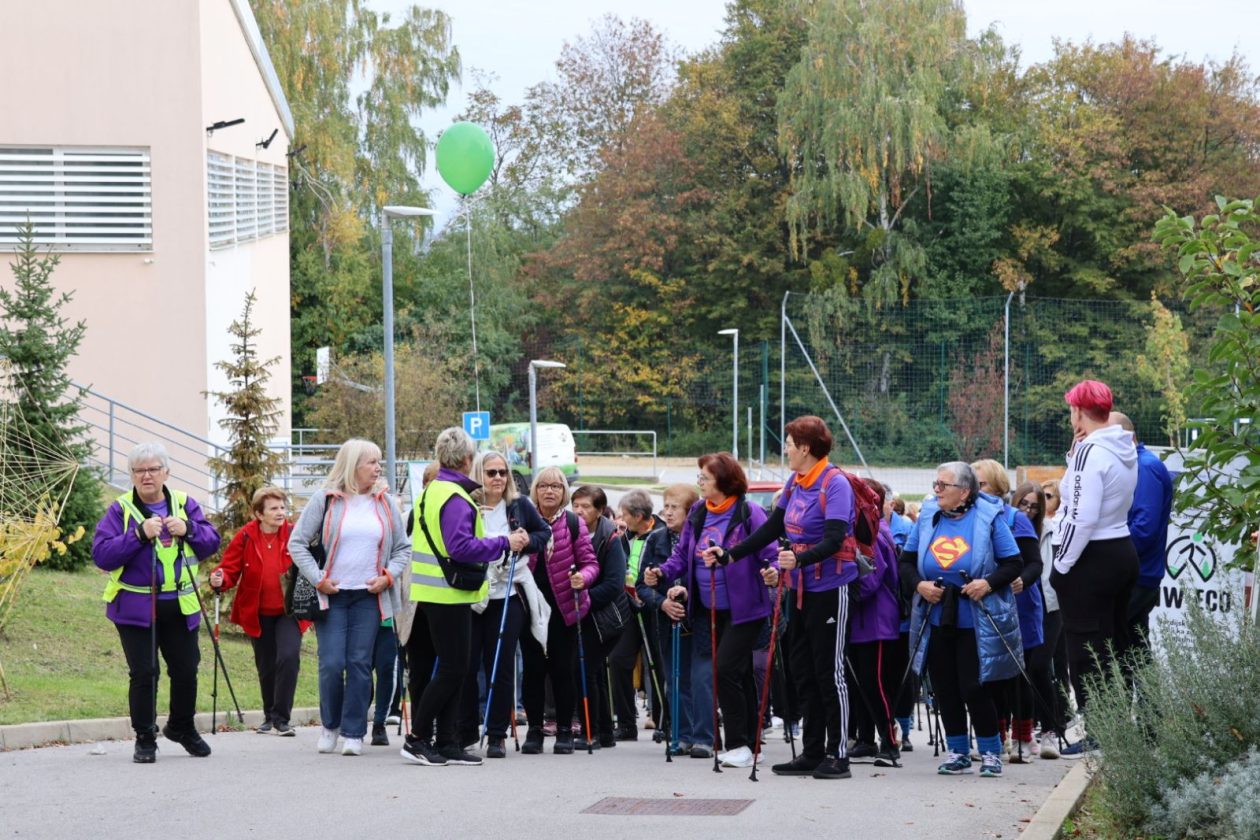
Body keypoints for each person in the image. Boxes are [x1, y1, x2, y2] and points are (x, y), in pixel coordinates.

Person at [713, 416, 858, 780]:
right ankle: (811, 752)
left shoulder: (835, 483)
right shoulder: (796, 481)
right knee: (803, 671)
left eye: (790, 443)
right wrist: (732, 553)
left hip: (831, 588)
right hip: (799, 590)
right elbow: (773, 528)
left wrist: (800, 558)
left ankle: (838, 754)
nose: (786, 450)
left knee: (830, 672)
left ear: (806, 448)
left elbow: (836, 538)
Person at [403, 428, 530, 767]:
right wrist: (504, 543)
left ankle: (447, 742)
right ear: (466, 460)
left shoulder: (431, 492)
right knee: (453, 669)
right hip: (449, 593)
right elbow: (460, 546)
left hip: (431, 592)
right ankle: (417, 737)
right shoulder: (456, 498)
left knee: (452, 669)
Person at [92, 442, 221, 763]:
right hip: (135, 608)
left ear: (166, 472)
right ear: (132, 476)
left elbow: (211, 542)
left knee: (186, 669)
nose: (146, 476)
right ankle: (145, 737)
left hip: (180, 605)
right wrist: (138, 535)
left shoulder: (184, 503)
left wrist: (189, 529)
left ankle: (181, 726)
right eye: (139, 471)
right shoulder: (120, 510)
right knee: (145, 672)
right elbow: (102, 555)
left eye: (152, 469)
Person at [646, 453, 777, 768]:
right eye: (699, 477)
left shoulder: (749, 512)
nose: (700, 483)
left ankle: (737, 744)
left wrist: (771, 571)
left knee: (725, 669)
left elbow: (769, 552)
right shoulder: (699, 513)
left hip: (746, 609)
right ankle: (749, 743)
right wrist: (661, 572)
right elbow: (682, 556)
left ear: (723, 480)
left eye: (704, 477)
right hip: (708, 608)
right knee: (739, 672)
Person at [900, 461, 1024, 778]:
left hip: (975, 617)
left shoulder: (989, 518)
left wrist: (987, 583)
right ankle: (957, 751)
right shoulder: (928, 517)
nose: (936, 490)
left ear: (964, 491)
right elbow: (907, 562)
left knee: (974, 686)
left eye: (944, 485)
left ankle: (991, 752)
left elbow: (1013, 563)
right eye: (936, 484)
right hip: (937, 613)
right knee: (944, 687)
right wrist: (919, 584)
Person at [289, 438, 410, 758]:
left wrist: (388, 576)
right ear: (353, 465)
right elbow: (297, 543)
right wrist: (319, 579)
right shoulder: (325, 499)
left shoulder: (385, 503)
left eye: (379, 462)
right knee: (331, 663)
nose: (378, 468)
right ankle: (330, 726)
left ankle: (354, 732)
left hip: (369, 597)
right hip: (332, 596)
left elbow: (403, 549)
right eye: (372, 462)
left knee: (359, 664)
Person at [1050, 381, 1139, 756]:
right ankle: (1115, 724)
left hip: (1091, 556)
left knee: (1085, 648)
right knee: (1115, 644)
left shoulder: (1090, 451)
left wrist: (1061, 565)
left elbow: (1081, 517)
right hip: (1120, 548)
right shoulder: (1122, 447)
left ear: (1078, 411)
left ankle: (1099, 728)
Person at [456, 451, 551, 758]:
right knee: (467, 665)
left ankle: (497, 733)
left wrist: (526, 540)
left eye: (502, 472)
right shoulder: (467, 505)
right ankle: (466, 731)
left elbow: (543, 533)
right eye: (491, 472)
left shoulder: (519, 505)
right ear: (478, 474)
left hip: (509, 594)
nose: (498, 478)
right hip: (472, 595)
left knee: (500, 662)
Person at [209, 486, 308, 737]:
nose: (280, 512)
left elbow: (309, 562)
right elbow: (229, 568)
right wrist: (220, 578)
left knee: (288, 657)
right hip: (258, 611)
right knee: (266, 665)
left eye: (283, 507)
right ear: (259, 513)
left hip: (289, 611)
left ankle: (282, 718)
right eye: (274, 508)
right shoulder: (246, 536)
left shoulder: (294, 535)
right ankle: (268, 715)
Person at [519, 467, 600, 755]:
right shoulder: (523, 521)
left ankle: (565, 729)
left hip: (565, 607)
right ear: (535, 491)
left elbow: (591, 563)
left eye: (555, 486)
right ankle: (534, 731)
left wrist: (584, 578)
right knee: (532, 670)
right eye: (543, 486)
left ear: (564, 491)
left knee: (563, 670)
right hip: (529, 606)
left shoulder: (573, 523)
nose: (549, 491)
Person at [972, 459, 1044, 763]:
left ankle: (1023, 739)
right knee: (992, 675)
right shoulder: (970, 519)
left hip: (1020, 606)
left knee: (1020, 673)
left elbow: (1034, 563)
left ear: (999, 487)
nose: (975, 490)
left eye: (982, 484)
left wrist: (1021, 581)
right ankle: (996, 738)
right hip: (986, 607)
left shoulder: (1016, 519)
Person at [637, 483, 702, 754]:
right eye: (666, 506)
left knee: (698, 678)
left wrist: (688, 596)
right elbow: (642, 584)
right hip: (665, 620)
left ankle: (703, 736)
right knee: (673, 679)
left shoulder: (700, 537)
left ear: (691, 512)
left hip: (696, 615)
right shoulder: (656, 539)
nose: (668, 512)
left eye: (675, 507)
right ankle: (680, 735)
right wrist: (662, 603)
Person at [846, 478, 904, 767]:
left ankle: (890, 742)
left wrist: (841, 590)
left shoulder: (877, 535)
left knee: (874, 682)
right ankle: (866, 739)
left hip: (876, 620)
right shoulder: (861, 533)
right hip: (858, 620)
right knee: (858, 683)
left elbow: (870, 582)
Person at [1109, 412, 1174, 662]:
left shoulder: (1145, 467)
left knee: (1116, 646)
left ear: (1126, 437)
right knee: (1133, 649)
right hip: (1135, 573)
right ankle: (1142, 702)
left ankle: (1126, 701)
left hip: (1138, 575)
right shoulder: (1134, 466)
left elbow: (1144, 530)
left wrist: (1107, 556)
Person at [571, 485, 629, 749]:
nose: (579, 511)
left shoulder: (610, 538)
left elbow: (615, 583)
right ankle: (604, 731)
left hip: (606, 616)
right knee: (591, 670)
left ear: (600, 510)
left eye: (585, 506)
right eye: (576, 506)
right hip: (583, 613)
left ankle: (590, 731)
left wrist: (583, 601)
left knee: (587, 669)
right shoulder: (570, 531)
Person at [1013, 480, 1066, 758]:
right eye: (1024, 504)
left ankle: (1050, 731)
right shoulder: (1007, 527)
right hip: (1019, 606)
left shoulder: (1052, 530)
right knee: (1019, 670)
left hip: (1049, 605)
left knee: (1040, 666)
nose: (1029, 510)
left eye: (1035, 506)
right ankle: (1023, 731)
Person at [608, 489, 664, 740]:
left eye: (626, 515)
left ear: (640, 515)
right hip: (629, 605)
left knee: (659, 665)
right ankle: (627, 723)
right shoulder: (625, 536)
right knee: (619, 660)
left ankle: (665, 721)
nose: (622, 519)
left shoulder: (662, 534)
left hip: (656, 606)